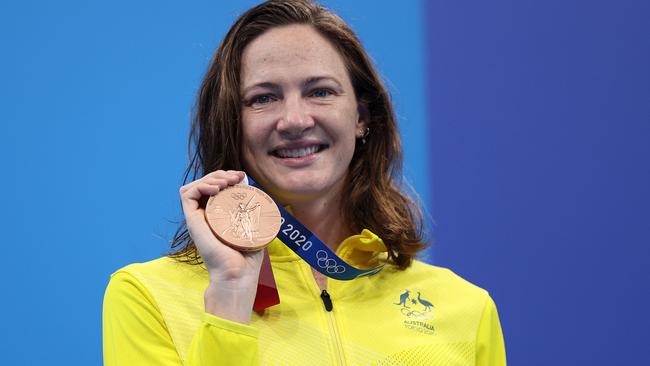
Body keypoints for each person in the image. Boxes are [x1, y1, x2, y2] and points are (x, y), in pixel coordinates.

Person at [102, 1, 507, 365]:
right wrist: (228, 295)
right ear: (232, 123)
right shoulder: (147, 298)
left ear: (362, 118)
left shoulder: (464, 309)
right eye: (263, 98)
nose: (294, 120)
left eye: (320, 92)